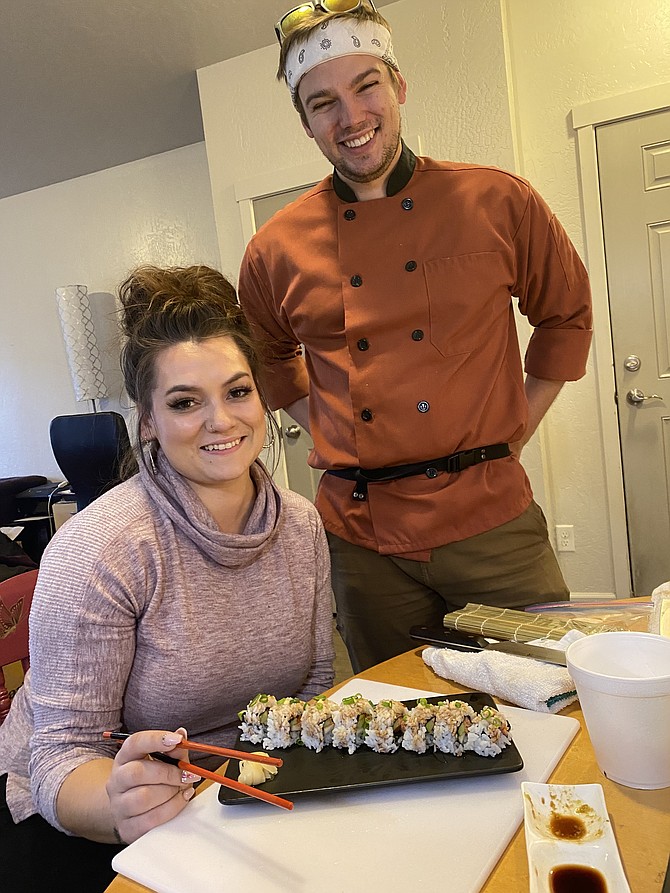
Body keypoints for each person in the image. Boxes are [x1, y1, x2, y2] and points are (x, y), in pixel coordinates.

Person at [237, 1, 593, 673]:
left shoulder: (497, 200)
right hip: (363, 540)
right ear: (307, 122)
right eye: (323, 103)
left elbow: (566, 313)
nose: (351, 117)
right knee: (404, 720)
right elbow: (267, 358)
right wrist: (332, 430)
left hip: (493, 522)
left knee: (548, 695)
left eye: (366, 85)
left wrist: (516, 424)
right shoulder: (274, 248)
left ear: (397, 85)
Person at [0, 264, 335, 892]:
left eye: (238, 393)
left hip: (235, 798)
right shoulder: (100, 549)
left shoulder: (300, 526)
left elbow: (312, 691)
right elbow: (60, 755)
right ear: (147, 419)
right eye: (185, 402)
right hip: (89, 818)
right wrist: (118, 803)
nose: (221, 421)